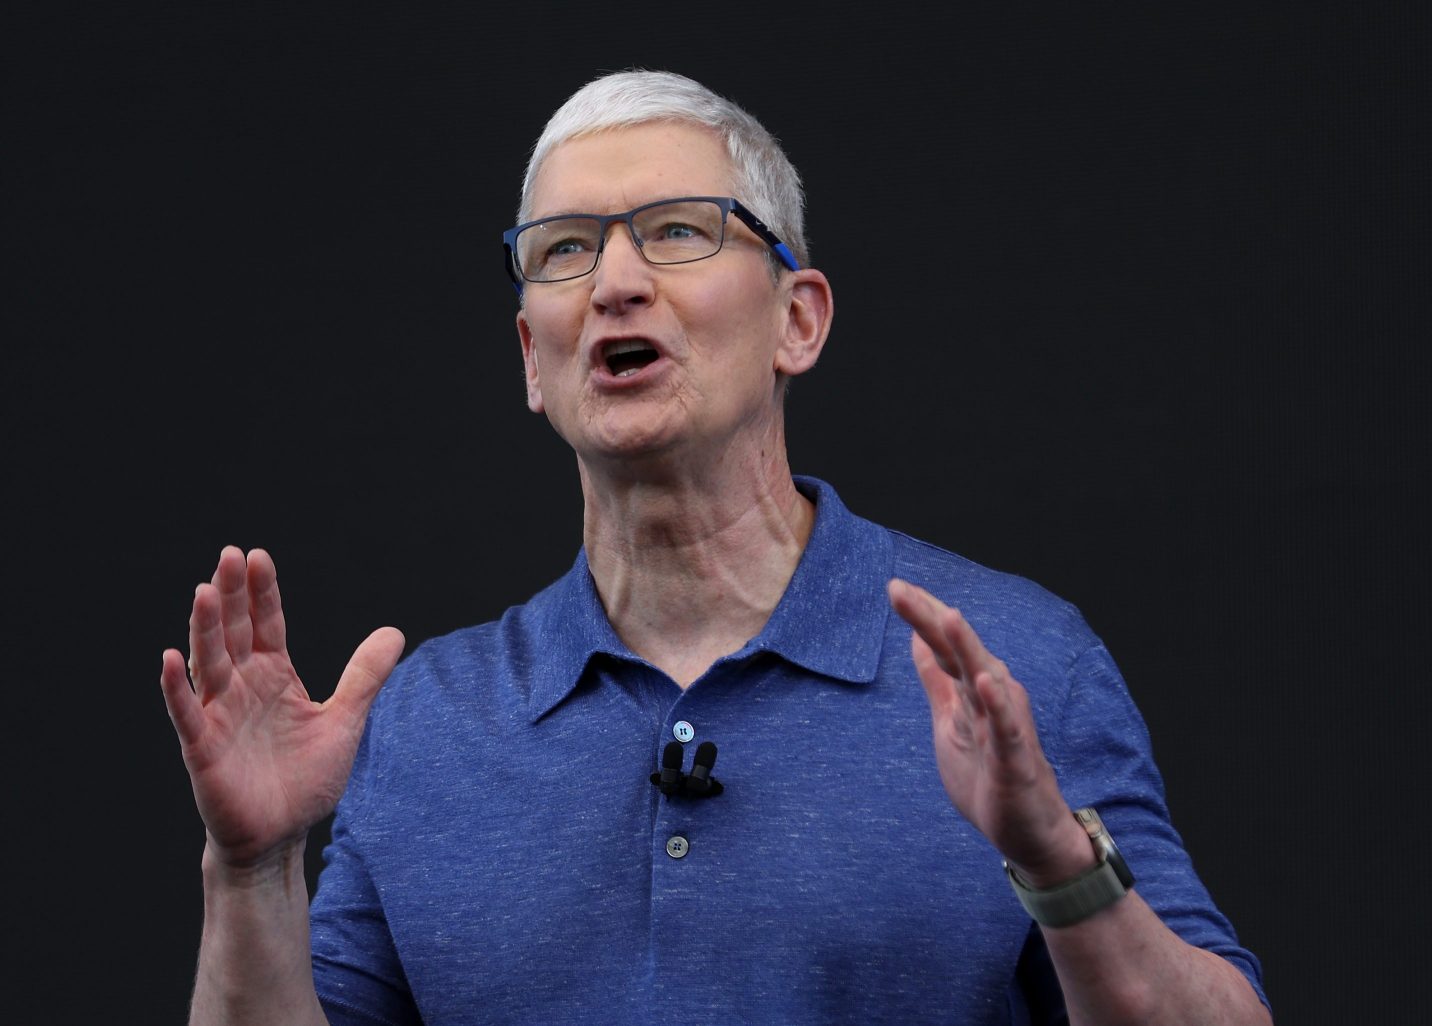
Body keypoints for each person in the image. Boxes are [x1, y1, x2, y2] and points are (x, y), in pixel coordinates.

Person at [160, 70, 1272, 1025]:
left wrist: (1056, 862)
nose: (615, 282)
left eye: (680, 230)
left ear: (799, 318)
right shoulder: (427, 723)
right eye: (563, 250)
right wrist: (253, 874)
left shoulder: (1010, 663)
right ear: (531, 364)